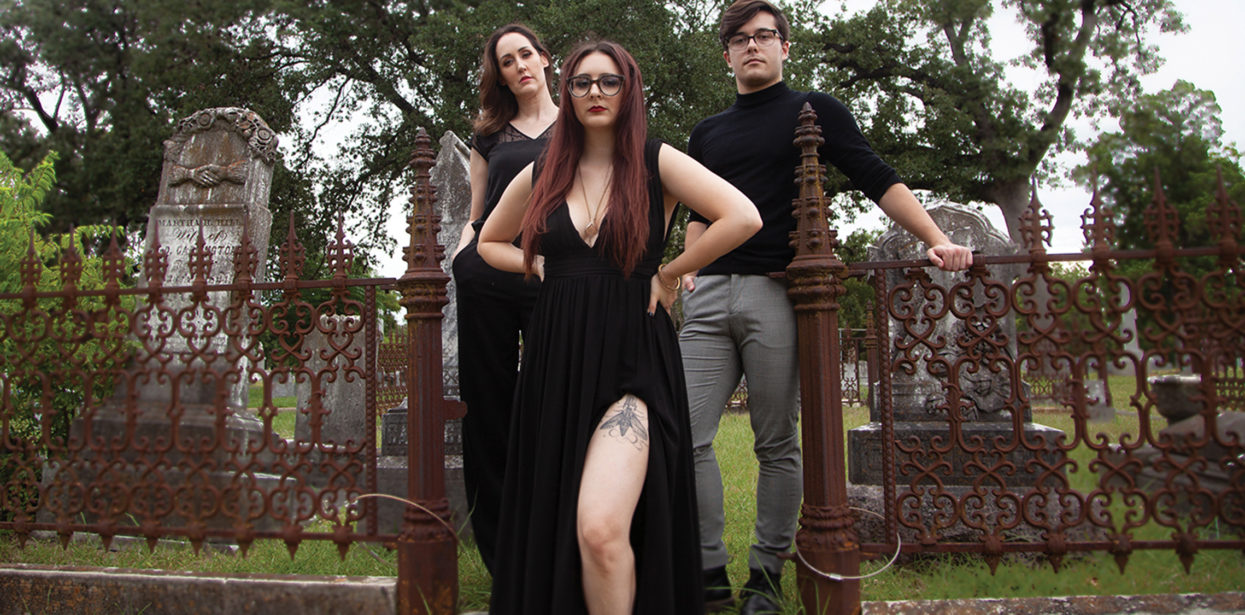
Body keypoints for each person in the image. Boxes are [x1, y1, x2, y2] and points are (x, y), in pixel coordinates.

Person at [679, 1, 974, 613]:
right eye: (740, 39)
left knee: (775, 441)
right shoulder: (707, 132)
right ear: (726, 54)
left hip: (777, 292)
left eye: (764, 35)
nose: (752, 45)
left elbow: (875, 175)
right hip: (708, 296)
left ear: (785, 47)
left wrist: (935, 237)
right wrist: (687, 268)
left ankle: (765, 575)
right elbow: (699, 209)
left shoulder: (813, 111)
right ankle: (707, 572)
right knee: (685, 434)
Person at [478, 40, 762, 615]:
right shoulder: (542, 171)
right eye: (582, 82)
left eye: (609, 81)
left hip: (634, 366)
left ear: (629, 90)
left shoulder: (656, 162)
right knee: (561, 521)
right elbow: (489, 241)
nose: (595, 92)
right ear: (568, 92)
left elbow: (743, 216)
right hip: (557, 366)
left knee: (601, 530)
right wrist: (539, 265)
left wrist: (672, 272)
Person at [451, 23, 558, 574]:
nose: (519, 66)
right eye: (506, 61)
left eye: (525, 54)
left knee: (555, 402)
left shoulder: (580, 123)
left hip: (554, 277)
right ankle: (500, 554)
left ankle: (553, 539)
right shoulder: (489, 136)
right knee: (488, 407)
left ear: (544, 59)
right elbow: (477, 214)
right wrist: (460, 262)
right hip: (488, 274)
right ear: (501, 76)